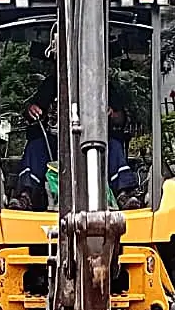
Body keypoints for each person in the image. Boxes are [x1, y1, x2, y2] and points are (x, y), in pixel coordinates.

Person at [15, 71, 143, 211]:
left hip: (94, 140)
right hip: (55, 143)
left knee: (114, 145)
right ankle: (25, 196)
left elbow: (121, 118)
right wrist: (31, 110)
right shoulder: (51, 83)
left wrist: (112, 113)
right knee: (35, 146)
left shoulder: (103, 84)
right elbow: (30, 111)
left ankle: (123, 195)